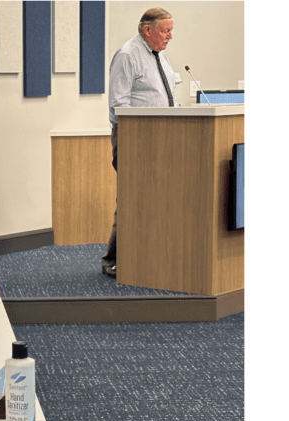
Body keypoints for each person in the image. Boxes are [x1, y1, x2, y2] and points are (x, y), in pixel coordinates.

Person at [103, 7, 176, 277]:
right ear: (148, 30)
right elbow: (118, 104)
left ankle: (146, 254)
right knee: (133, 198)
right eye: (166, 30)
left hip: (163, 137)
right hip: (134, 137)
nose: (170, 36)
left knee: (155, 199)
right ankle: (114, 259)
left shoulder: (160, 56)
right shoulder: (127, 55)